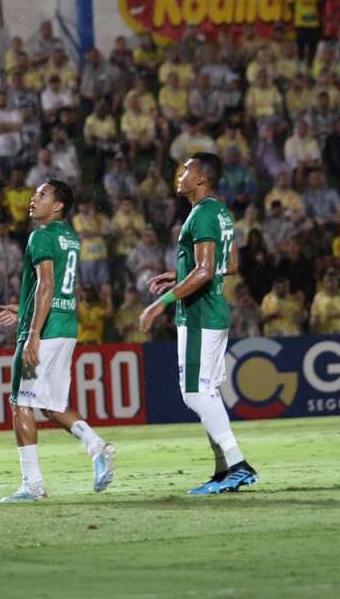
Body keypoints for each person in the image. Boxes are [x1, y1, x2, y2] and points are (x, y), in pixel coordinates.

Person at [139, 153, 258, 495]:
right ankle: (223, 471)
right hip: (214, 311)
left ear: (201, 178)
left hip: (198, 315)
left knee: (194, 393)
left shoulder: (202, 214)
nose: (180, 175)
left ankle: (238, 464)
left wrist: (158, 305)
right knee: (208, 393)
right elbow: (229, 264)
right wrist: (179, 273)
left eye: (186, 170)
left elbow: (205, 271)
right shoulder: (220, 212)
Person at [0, 179, 115, 502]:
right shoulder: (70, 237)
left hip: (44, 331)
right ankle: (97, 446)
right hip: (65, 327)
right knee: (51, 405)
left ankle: (32, 485)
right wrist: (24, 309)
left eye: (42, 194)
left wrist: (32, 332)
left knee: (21, 402)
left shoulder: (41, 235)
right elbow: (59, 286)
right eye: (35, 193)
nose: (33, 198)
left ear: (58, 205)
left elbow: (46, 285)